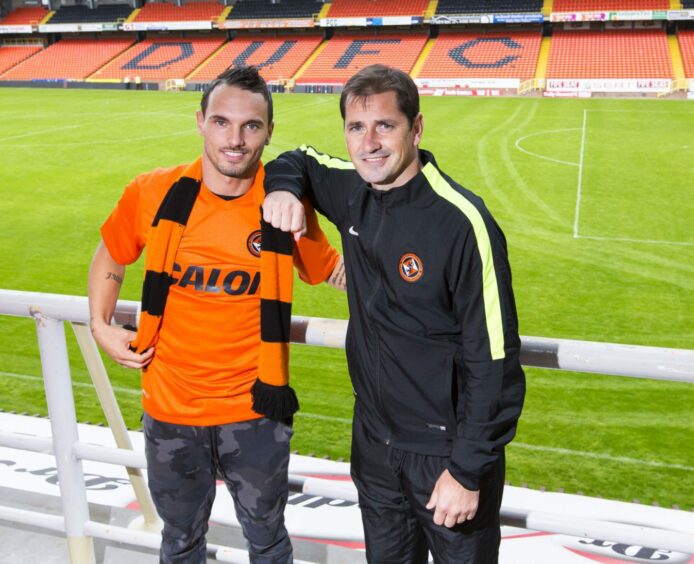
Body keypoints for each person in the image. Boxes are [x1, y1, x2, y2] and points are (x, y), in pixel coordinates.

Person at [262, 64, 525, 564]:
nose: (370, 143)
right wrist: (282, 189)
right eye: (356, 128)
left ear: (416, 128)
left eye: (385, 125)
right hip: (376, 449)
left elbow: (494, 361)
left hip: (446, 460)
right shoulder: (352, 190)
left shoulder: (464, 224)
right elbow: (297, 159)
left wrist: (467, 471)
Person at [88, 66, 344, 564]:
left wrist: (408, 268)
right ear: (200, 121)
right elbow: (113, 251)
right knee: (180, 542)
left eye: (252, 126)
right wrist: (101, 325)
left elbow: (330, 271)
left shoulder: (284, 203)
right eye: (223, 122)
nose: (236, 139)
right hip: (170, 412)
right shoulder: (153, 192)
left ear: (270, 130)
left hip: (255, 415)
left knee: (268, 541)